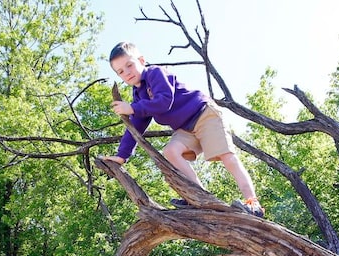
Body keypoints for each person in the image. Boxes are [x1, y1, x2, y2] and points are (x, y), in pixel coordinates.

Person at [100, 42, 263, 217]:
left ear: (141, 60)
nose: (127, 73)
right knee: (171, 151)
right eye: (121, 72)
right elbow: (137, 125)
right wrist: (122, 155)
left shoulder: (155, 73)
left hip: (204, 114)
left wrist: (132, 108)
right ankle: (199, 196)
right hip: (184, 128)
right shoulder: (138, 94)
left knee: (227, 156)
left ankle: (252, 202)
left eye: (129, 65)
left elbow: (164, 101)